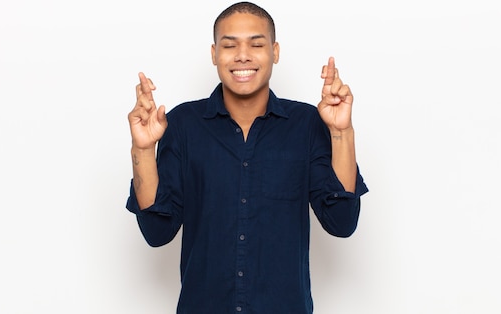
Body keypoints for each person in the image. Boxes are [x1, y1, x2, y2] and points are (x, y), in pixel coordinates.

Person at [125, 2, 368, 313]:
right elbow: (157, 233)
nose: (243, 55)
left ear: (275, 51)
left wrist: (341, 131)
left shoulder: (306, 124)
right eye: (230, 45)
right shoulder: (183, 124)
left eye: (256, 43)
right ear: (214, 54)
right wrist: (143, 149)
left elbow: (342, 222)